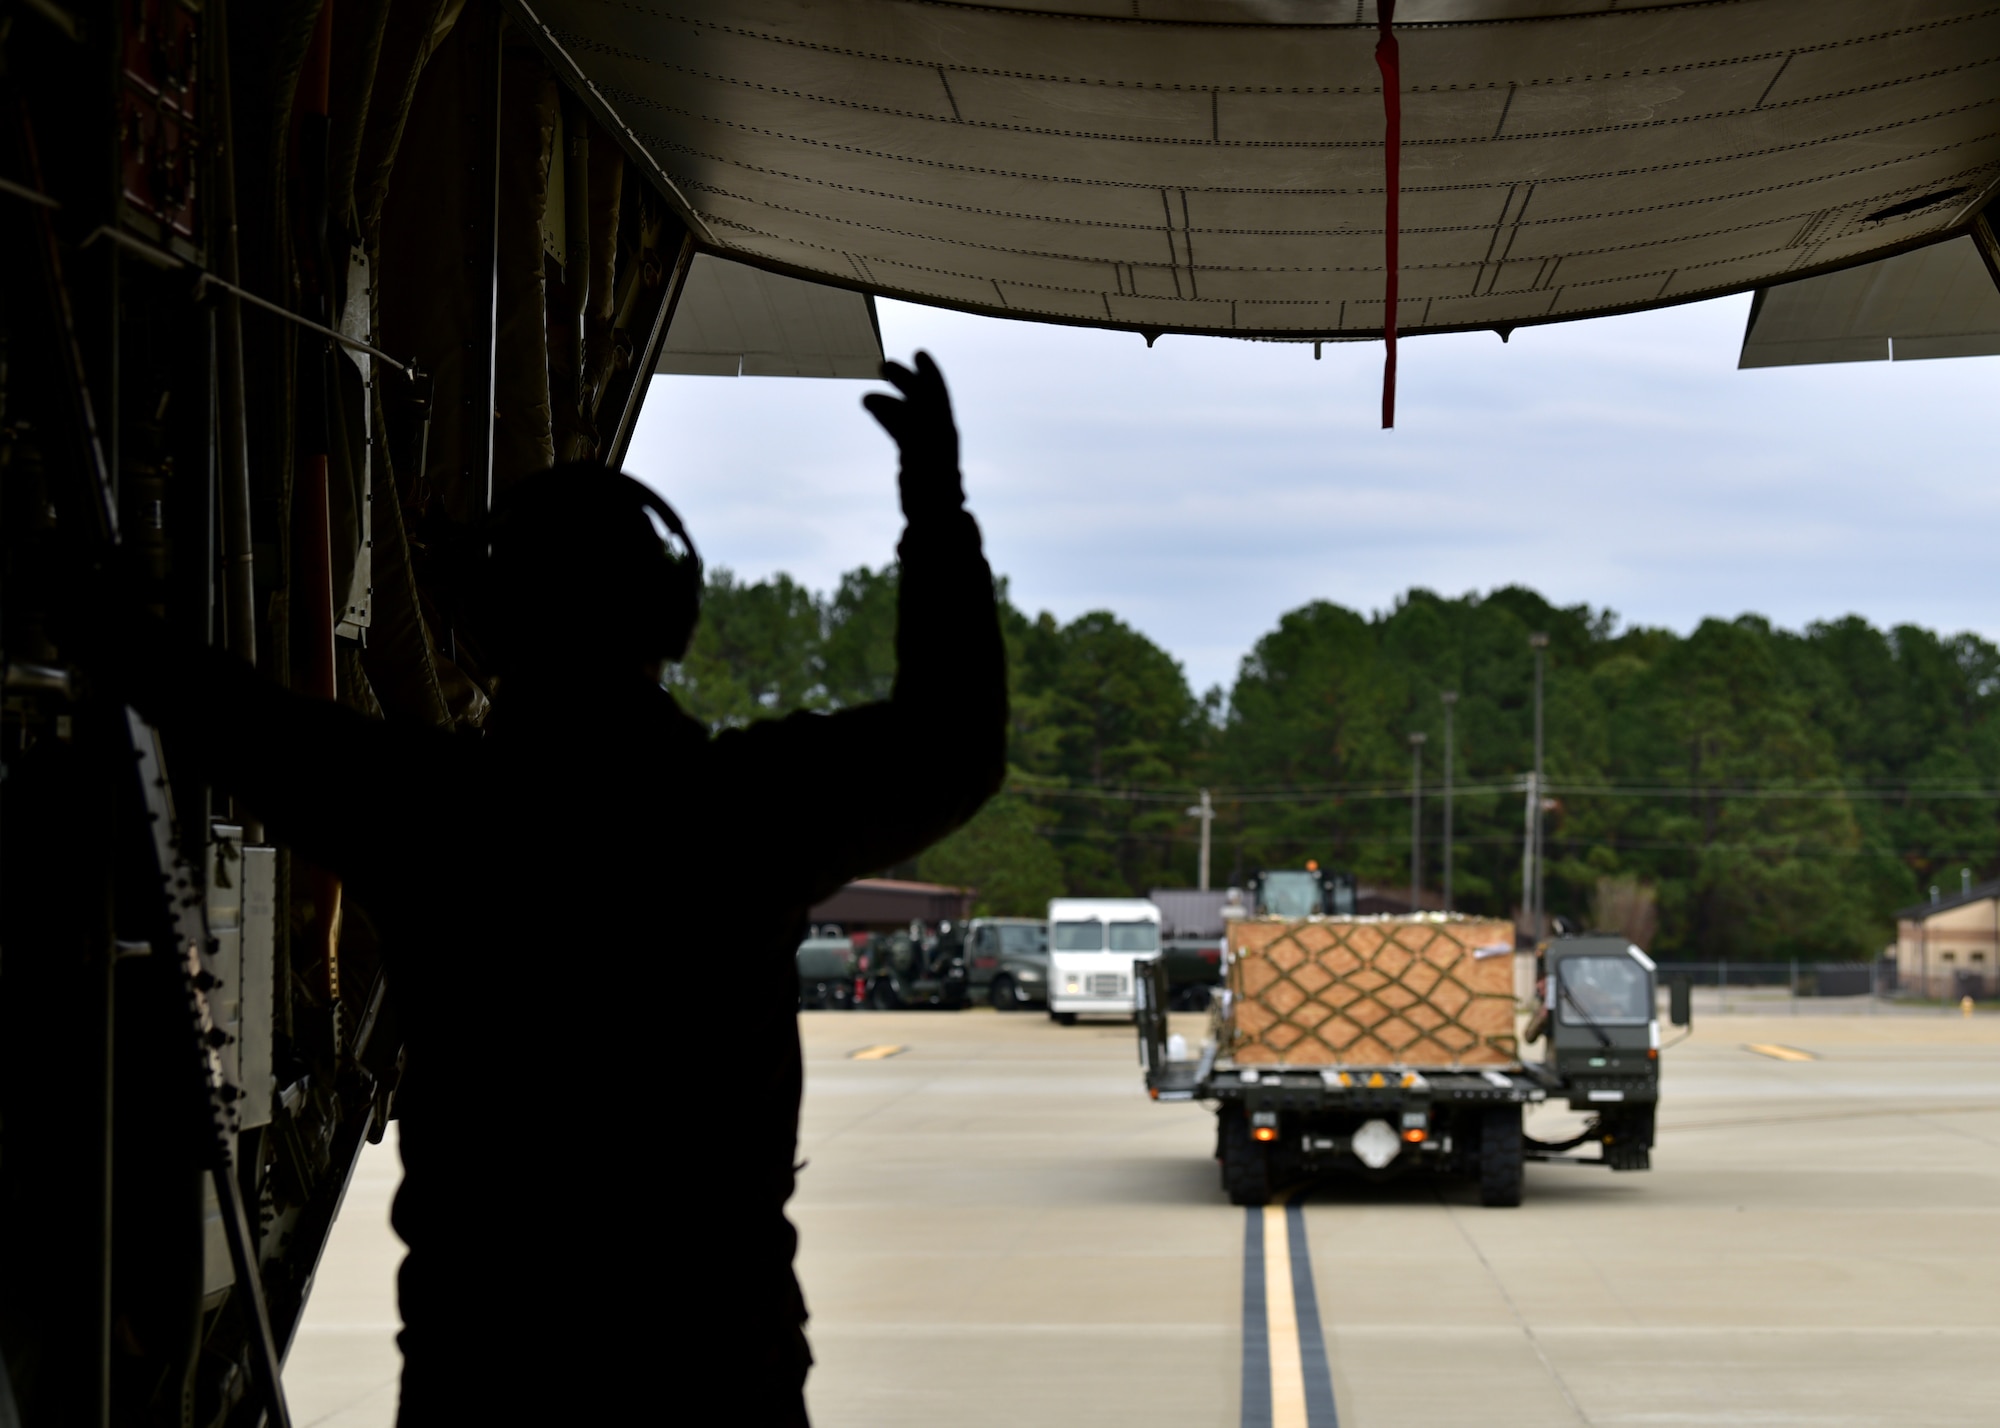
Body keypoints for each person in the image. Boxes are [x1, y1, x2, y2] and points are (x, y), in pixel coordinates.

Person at [102, 353, 1006, 1424]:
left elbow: (234, 719)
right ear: (667, 620)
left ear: (488, 627)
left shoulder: (429, 811)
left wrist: (110, 621)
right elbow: (952, 744)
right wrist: (935, 513)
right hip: (716, 1370)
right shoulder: (741, 813)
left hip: (490, 1369)